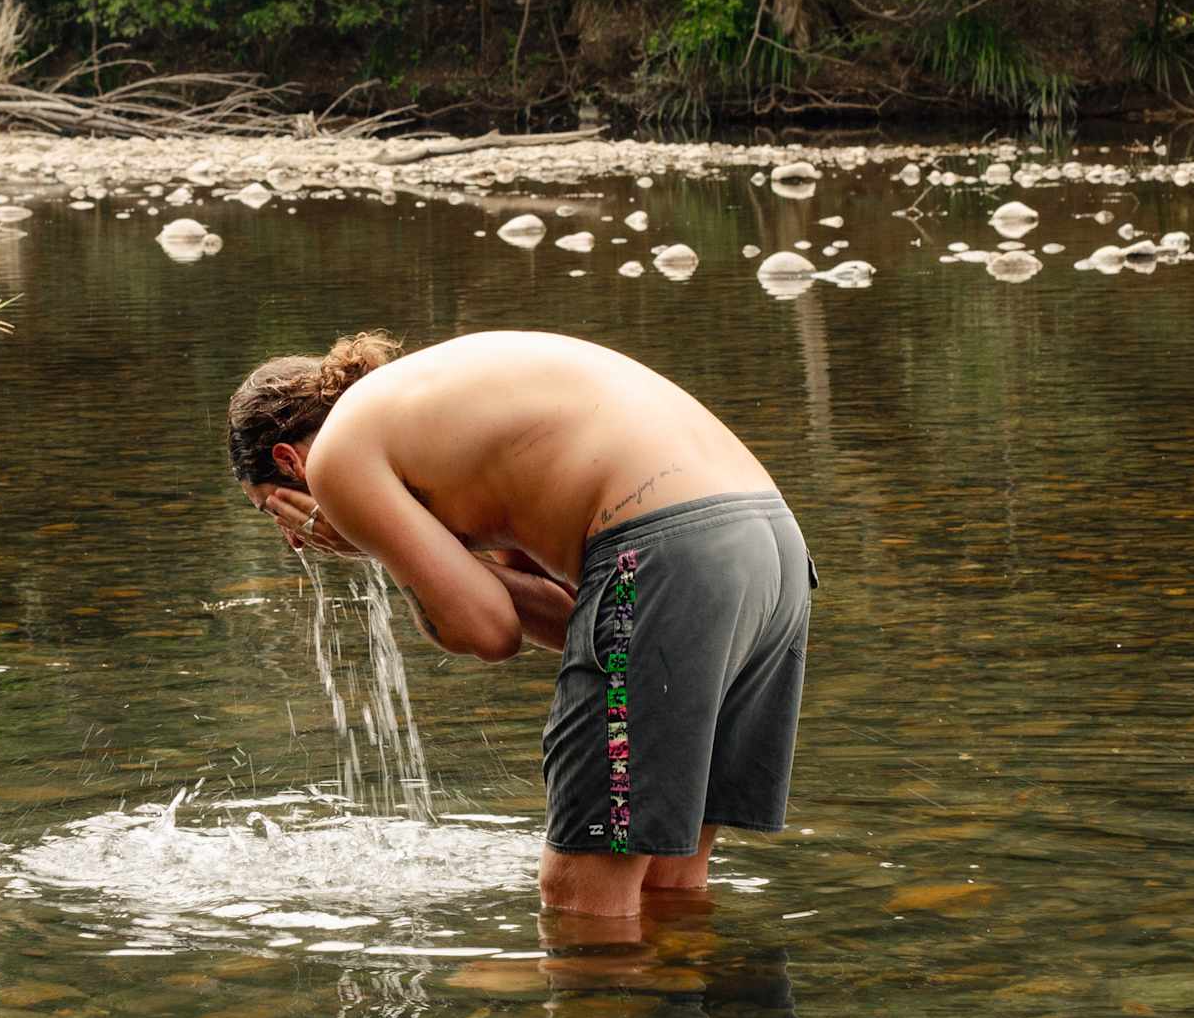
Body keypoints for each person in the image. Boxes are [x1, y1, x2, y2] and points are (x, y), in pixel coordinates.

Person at [226, 329, 811, 922]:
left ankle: (603, 985)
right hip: (768, 547)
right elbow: (577, 622)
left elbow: (488, 634)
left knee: (578, 899)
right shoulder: (437, 419)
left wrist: (383, 547)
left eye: (274, 509)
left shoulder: (335, 459)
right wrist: (430, 554)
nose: (293, 539)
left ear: (289, 461)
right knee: (667, 881)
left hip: (666, 553)